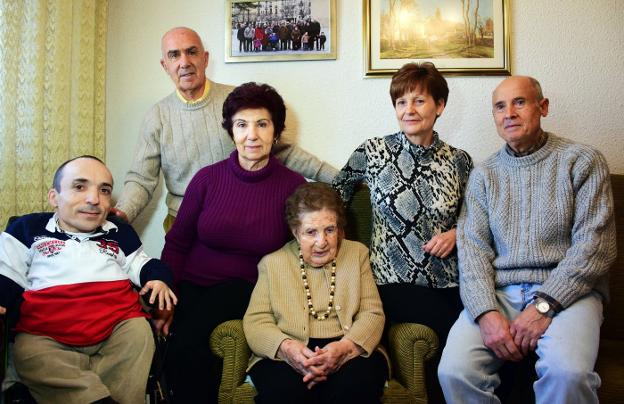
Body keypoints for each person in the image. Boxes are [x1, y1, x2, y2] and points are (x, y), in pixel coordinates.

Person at [438, 76, 617, 404]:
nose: (509, 113)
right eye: (500, 107)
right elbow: (473, 251)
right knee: (454, 370)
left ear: (543, 107)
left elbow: (596, 246)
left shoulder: (583, 161)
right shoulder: (483, 175)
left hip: (570, 295)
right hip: (500, 294)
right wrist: (485, 313)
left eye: (519, 102)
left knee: (568, 375)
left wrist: (545, 305)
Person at [333, 62, 472, 402]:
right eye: (401, 102)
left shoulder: (459, 161)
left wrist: (457, 233)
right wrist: (342, 249)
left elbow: (477, 217)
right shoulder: (374, 152)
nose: (408, 110)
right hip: (390, 282)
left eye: (419, 101)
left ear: (439, 106)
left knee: (472, 340)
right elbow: (335, 194)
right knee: (468, 332)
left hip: (448, 282)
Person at [161, 82, 307, 403]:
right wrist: (167, 297)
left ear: (276, 131)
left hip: (250, 289)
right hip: (192, 285)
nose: (251, 135)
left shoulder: (293, 187)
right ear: (231, 130)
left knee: (188, 342)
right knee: (174, 344)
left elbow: (302, 256)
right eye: (242, 125)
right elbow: (177, 244)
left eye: (262, 124)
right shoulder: (207, 179)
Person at [114, 27, 336, 226]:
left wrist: (341, 178)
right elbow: (141, 179)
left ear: (205, 58)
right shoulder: (157, 116)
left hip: (244, 217)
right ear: (165, 65)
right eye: (174, 55)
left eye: (192, 52)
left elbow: (284, 152)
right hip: (183, 221)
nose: (184, 62)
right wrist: (122, 213)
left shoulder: (236, 101)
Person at [0, 156, 177, 404]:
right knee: (28, 353)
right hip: (46, 335)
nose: (94, 199)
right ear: (54, 197)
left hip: (116, 329)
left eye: (104, 190)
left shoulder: (118, 233)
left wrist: (158, 279)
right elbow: (7, 273)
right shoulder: (28, 229)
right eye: (79, 187)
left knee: (138, 333)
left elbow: (144, 264)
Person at [243, 182, 388, 404]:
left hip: (349, 347)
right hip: (288, 353)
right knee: (286, 393)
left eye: (330, 230)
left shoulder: (356, 254)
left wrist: (346, 347)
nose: (322, 242)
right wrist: (286, 348)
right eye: (311, 232)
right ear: (295, 232)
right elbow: (256, 322)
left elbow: (372, 313)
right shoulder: (272, 264)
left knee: (354, 389)